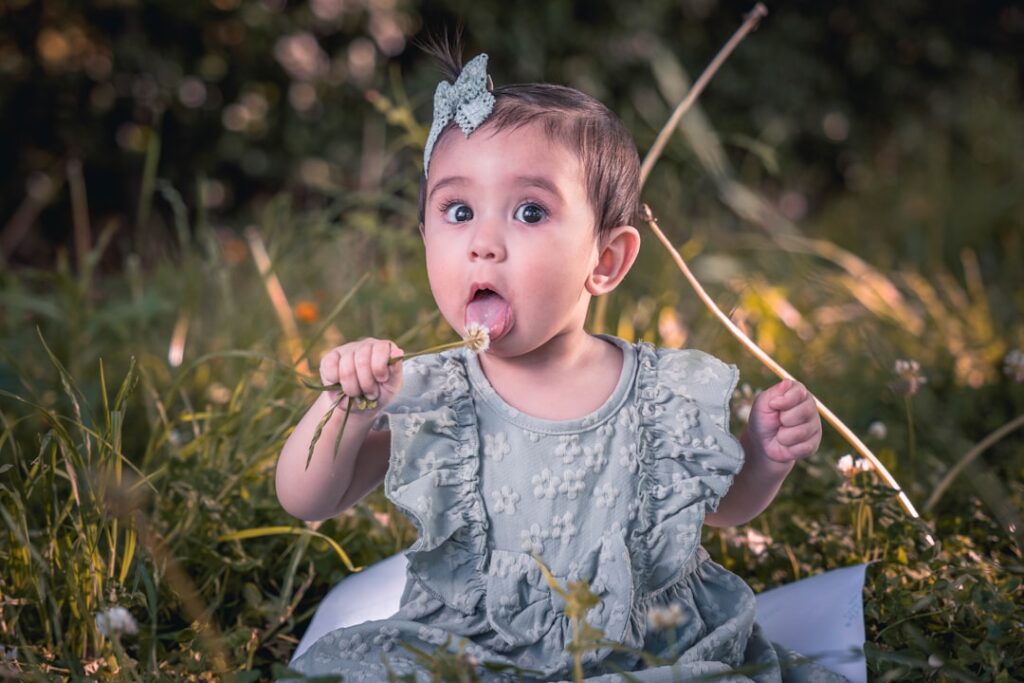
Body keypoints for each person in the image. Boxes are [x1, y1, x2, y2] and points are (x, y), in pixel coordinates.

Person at [276, 42, 842, 682]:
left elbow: (722, 508)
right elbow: (307, 497)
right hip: (470, 650)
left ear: (605, 261)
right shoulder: (431, 394)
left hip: (643, 651)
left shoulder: (660, 392)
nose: (484, 245)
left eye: (529, 212)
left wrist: (764, 457)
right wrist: (345, 408)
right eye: (458, 212)